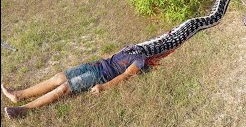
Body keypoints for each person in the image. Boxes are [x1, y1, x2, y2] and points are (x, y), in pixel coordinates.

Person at [1, 45, 148, 119]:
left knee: (64, 88)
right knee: (58, 78)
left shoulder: (140, 59)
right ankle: (18, 95)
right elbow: (112, 58)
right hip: (95, 65)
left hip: (101, 75)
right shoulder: (132, 47)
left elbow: (126, 75)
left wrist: (104, 86)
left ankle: (24, 109)